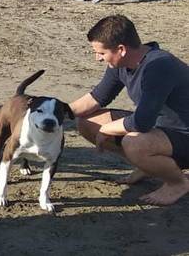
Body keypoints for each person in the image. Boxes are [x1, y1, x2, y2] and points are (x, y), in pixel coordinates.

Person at [69, 15, 189, 206]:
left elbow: (141, 122)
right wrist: (55, 110)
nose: (97, 58)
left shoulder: (158, 66)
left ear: (121, 49)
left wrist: (106, 129)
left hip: (183, 134)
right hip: (159, 129)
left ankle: (178, 183)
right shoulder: (120, 64)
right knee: (87, 121)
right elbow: (96, 98)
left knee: (134, 143)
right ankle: (148, 166)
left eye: (100, 53)